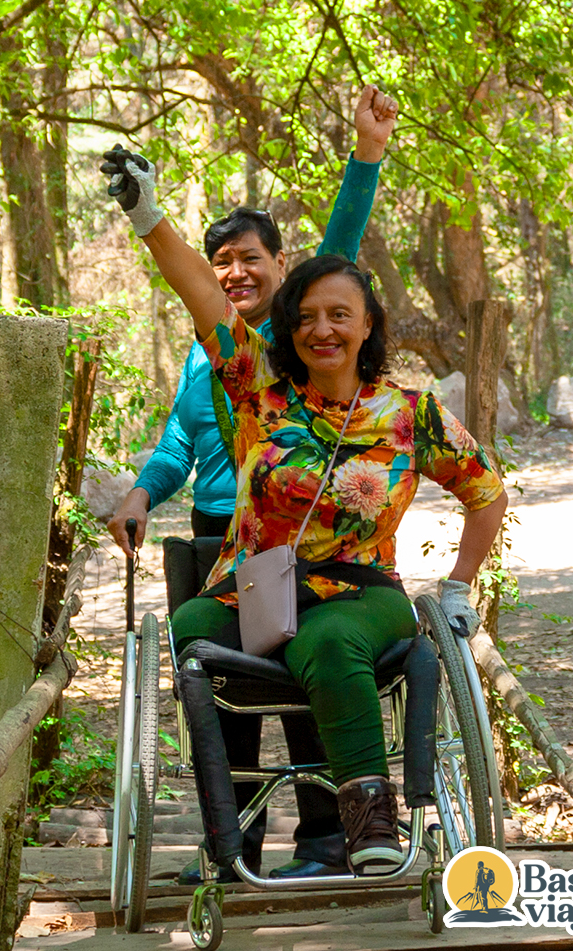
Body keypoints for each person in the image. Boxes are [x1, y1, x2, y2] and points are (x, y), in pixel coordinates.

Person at [100, 148, 507, 874]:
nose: (323, 329)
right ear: (288, 329)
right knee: (193, 626)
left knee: (326, 643)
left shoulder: (409, 413)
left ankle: (367, 820)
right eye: (308, 317)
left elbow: (486, 493)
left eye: (339, 316)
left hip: (362, 592)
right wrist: (147, 213)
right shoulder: (258, 385)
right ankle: (229, 838)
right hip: (259, 585)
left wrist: (456, 586)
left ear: (367, 323)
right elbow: (202, 294)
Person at [105, 86, 399, 883]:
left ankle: (325, 840)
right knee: (223, 693)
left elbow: (341, 242)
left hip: (316, 545)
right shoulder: (213, 356)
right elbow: (180, 441)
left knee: (312, 678)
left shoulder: (295, 339)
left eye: (251, 260)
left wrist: (365, 155)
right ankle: (228, 847)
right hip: (224, 538)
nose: (235, 273)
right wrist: (138, 491)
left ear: (282, 270)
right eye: (222, 262)